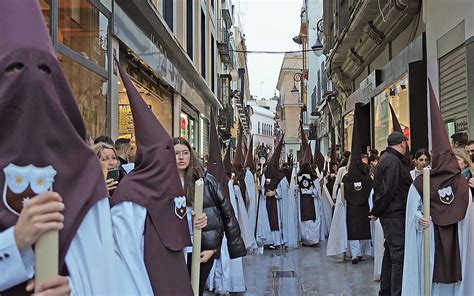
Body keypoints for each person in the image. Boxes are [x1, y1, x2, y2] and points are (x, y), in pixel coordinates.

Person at [0, 1, 120, 294]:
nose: (29, 79)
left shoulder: (83, 172)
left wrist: (75, 288)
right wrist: (14, 242)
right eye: (14, 68)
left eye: (44, 69)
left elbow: (104, 273)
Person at [110, 59, 199, 295]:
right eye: (167, 153)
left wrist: (195, 223)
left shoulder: (166, 186)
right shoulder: (129, 194)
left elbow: (173, 229)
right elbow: (125, 254)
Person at [403, 82, 473, 295]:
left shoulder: (461, 184)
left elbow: (468, 217)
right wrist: (419, 219)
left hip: (456, 245)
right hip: (430, 242)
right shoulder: (420, 183)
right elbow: (412, 214)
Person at [174, 137, 246, 296]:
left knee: (194, 291)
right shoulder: (163, 183)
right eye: (176, 153)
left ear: (191, 155)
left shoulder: (206, 181)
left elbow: (224, 215)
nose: (181, 157)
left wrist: (213, 249)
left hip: (201, 249)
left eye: (185, 153)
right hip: (174, 251)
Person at [370, 131, 412, 295]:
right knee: (398, 257)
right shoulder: (392, 161)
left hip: (391, 214)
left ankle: (386, 290)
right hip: (394, 215)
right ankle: (396, 292)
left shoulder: (388, 159)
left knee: (390, 253)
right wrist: (376, 211)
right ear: (402, 143)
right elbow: (387, 191)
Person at [296, 147, 325, 246]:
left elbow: (317, 193)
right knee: (304, 222)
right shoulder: (298, 178)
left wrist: (309, 192)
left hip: (313, 203)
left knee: (312, 222)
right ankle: (305, 240)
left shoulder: (314, 179)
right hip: (303, 203)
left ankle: (313, 240)